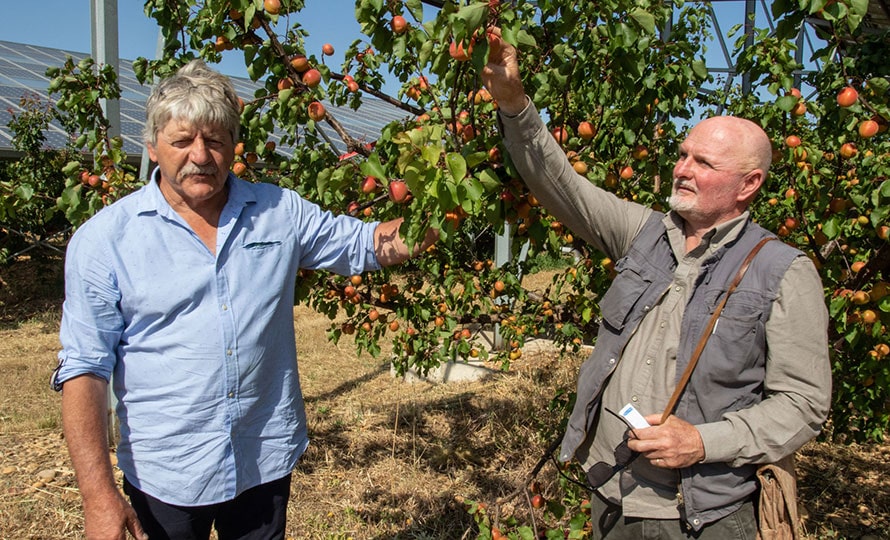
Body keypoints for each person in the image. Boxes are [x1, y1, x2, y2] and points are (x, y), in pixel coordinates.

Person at [52, 59, 437, 540]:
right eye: (181, 140)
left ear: (234, 144)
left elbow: (364, 244)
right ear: (151, 146)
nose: (200, 155)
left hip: (263, 458)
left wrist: (443, 207)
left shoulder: (279, 211)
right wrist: (98, 496)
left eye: (214, 140)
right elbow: (85, 371)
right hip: (167, 473)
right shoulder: (105, 240)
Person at [481, 30, 831, 539]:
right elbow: (561, 185)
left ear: (748, 184)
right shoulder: (644, 234)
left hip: (701, 511)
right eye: (684, 154)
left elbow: (803, 403)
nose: (682, 169)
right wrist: (515, 106)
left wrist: (704, 442)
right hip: (612, 490)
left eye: (703, 163)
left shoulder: (781, 271)